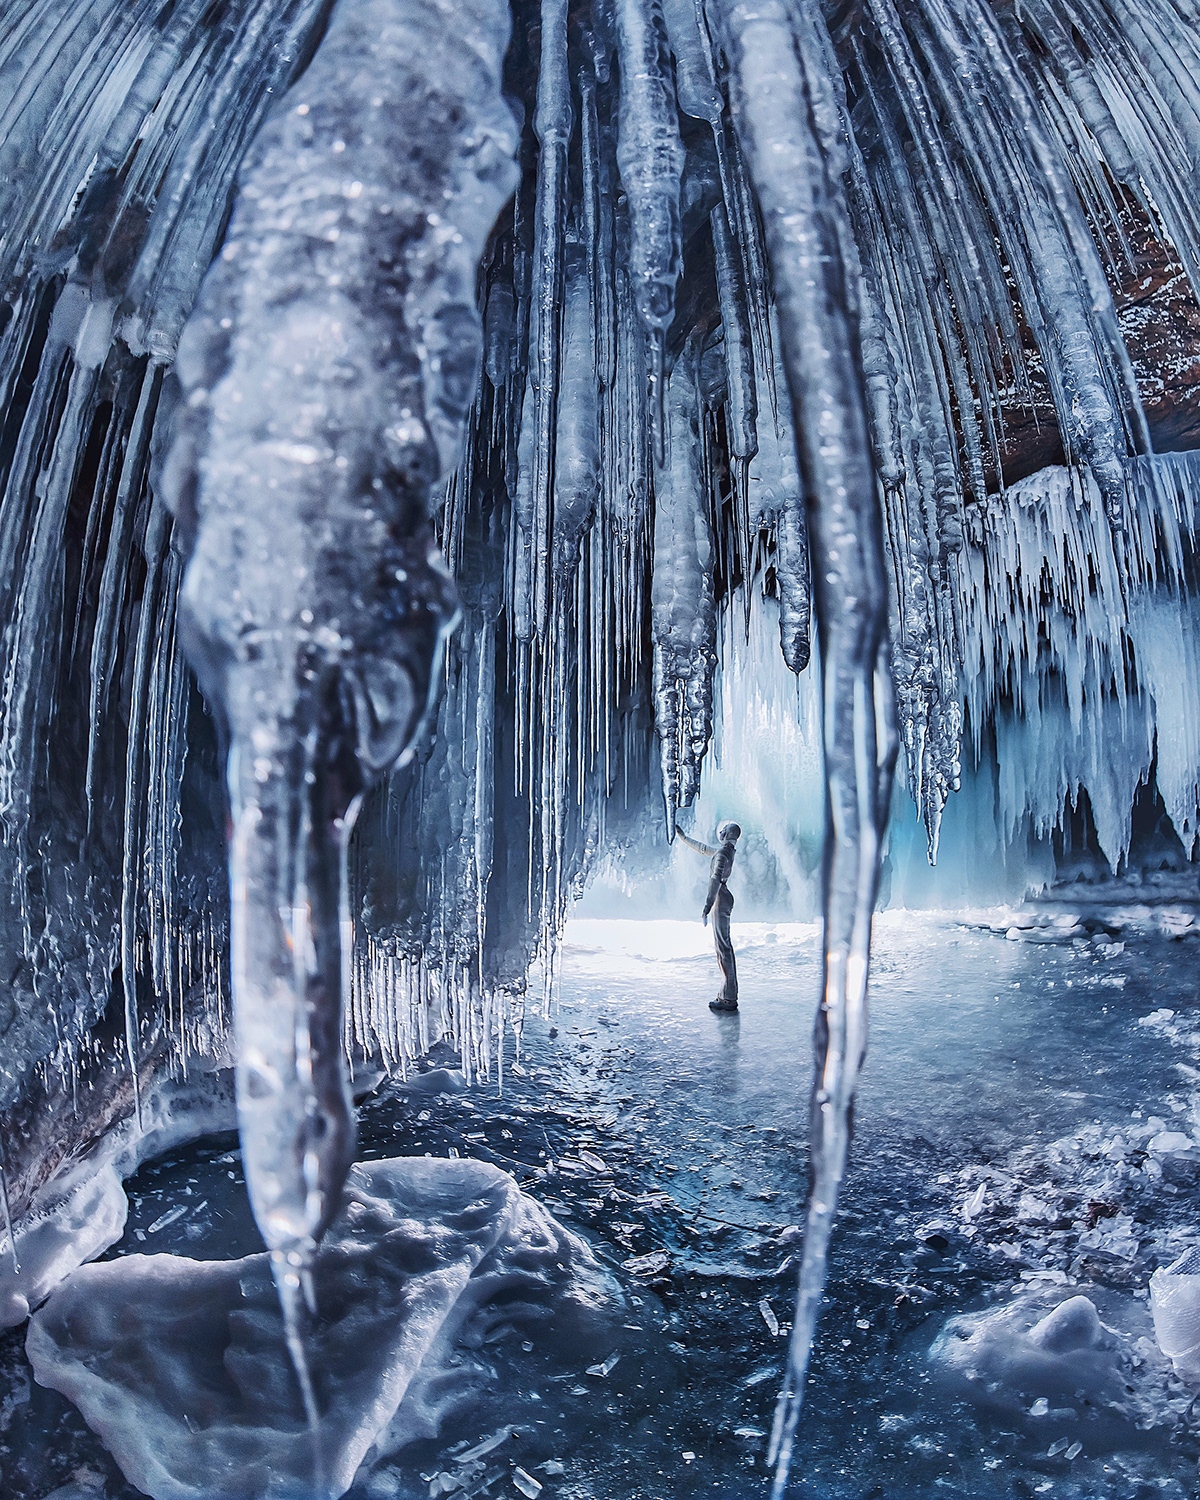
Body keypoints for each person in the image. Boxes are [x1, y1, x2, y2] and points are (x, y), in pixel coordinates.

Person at [675, 817, 741, 1012]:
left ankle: (728, 998)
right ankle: (727, 993)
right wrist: (684, 837)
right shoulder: (728, 851)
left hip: (720, 898)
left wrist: (706, 906)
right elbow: (704, 849)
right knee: (724, 947)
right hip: (725, 897)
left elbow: (714, 881)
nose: (720, 833)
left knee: (723, 949)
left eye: (724, 831)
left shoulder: (722, 854)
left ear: (727, 834)